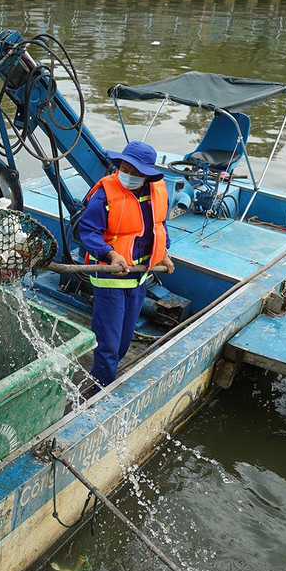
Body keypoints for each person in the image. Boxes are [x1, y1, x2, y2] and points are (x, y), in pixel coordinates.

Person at [76, 140, 174, 387]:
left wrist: (163, 253)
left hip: (138, 278)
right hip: (110, 278)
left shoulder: (156, 193)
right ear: (118, 165)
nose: (129, 175)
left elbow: (159, 226)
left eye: (136, 171)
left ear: (147, 175)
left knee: (124, 338)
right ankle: (102, 387)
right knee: (108, 341)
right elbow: (87, 232)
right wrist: (109, 254)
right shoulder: (104, 195)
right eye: (125, 168)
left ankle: (107, 374)